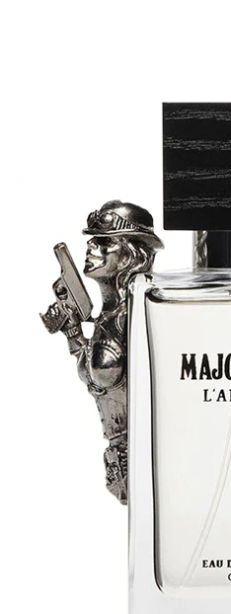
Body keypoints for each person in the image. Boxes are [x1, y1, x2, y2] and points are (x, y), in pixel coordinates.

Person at [42, 201, 162, 502]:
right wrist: (71, 329)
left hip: (144, 456)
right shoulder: (109, 318)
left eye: (105, 242)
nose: (91, 246)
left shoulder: (139, 318)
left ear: (129, 256)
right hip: (120, 454)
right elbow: (99, 373)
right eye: (92, 240)